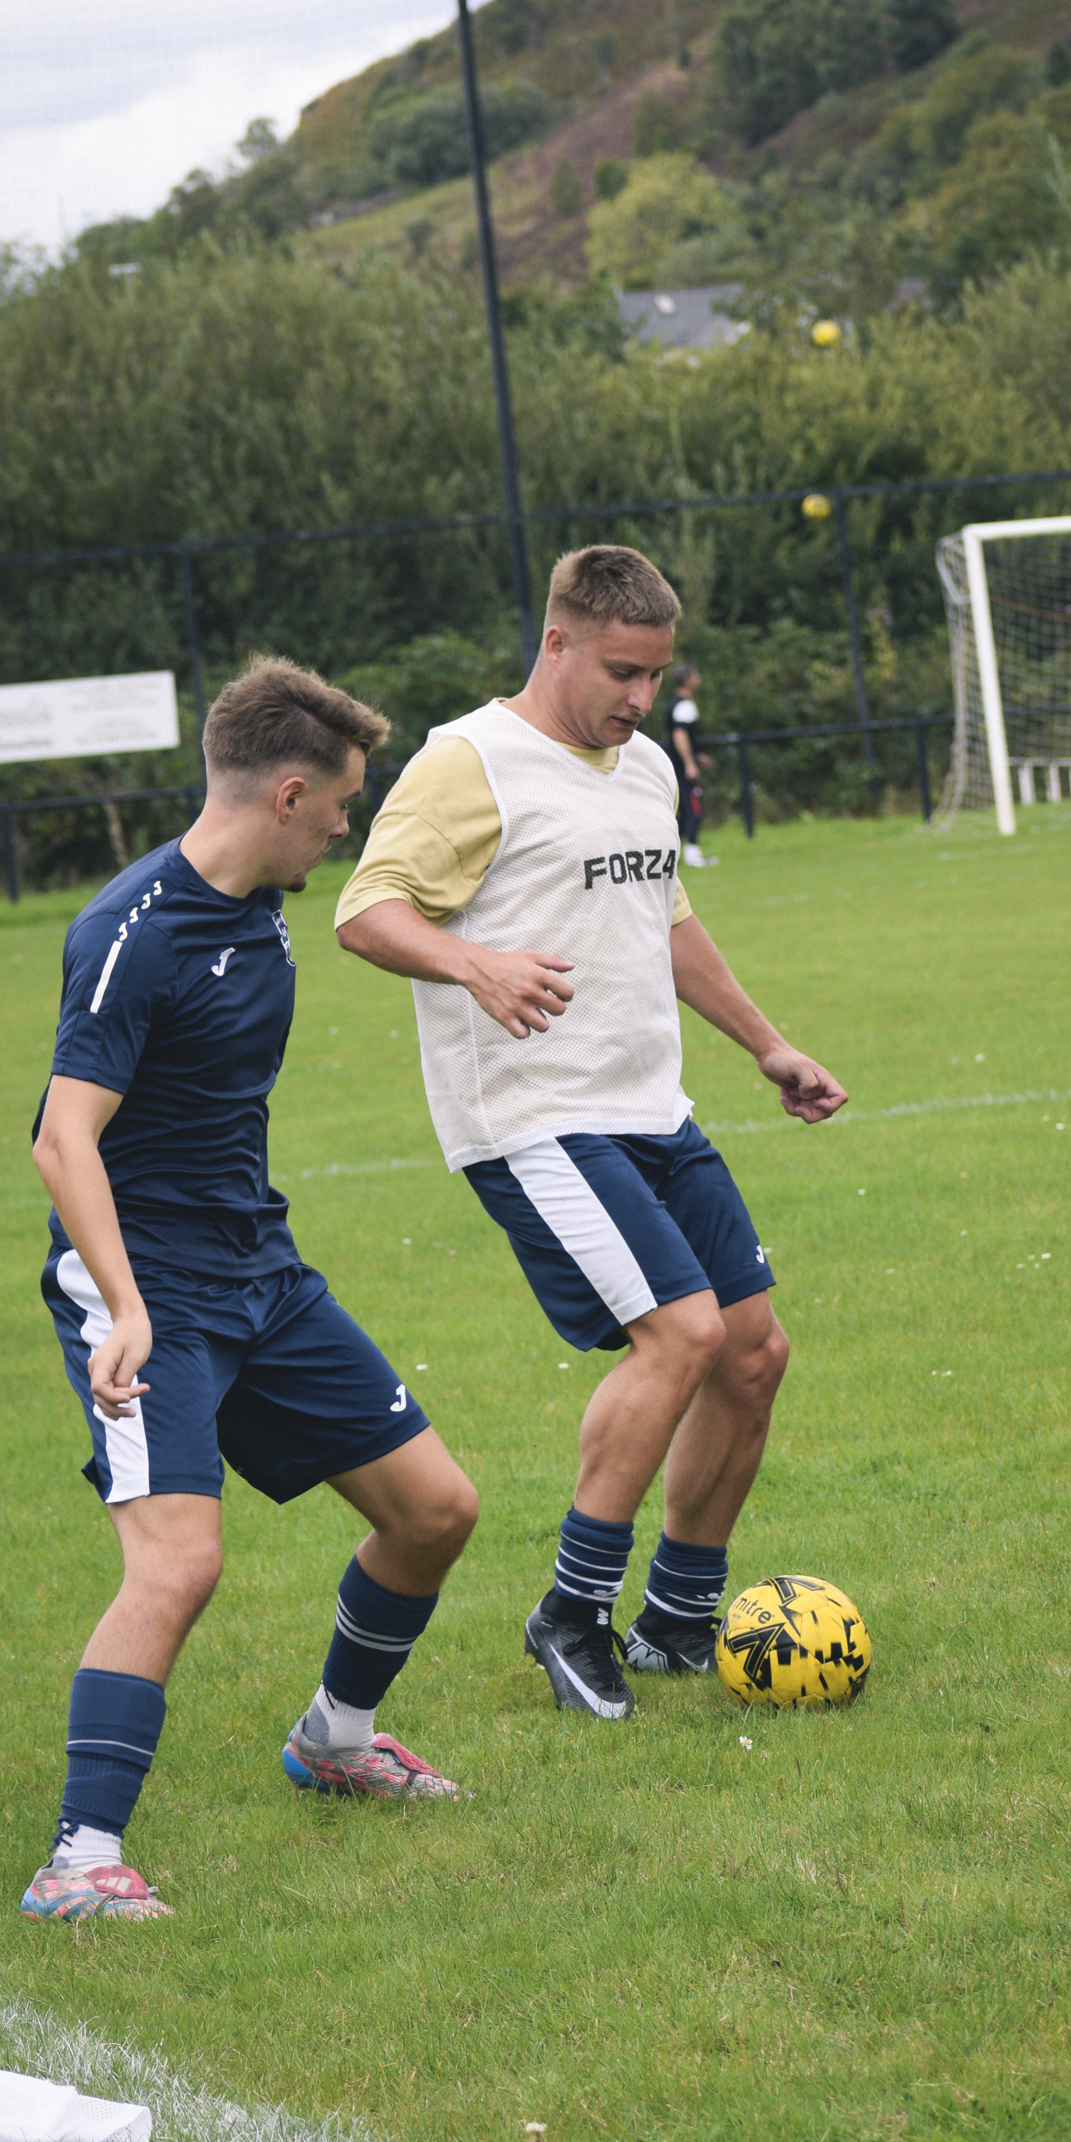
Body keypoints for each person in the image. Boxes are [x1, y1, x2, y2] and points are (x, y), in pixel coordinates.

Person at [334, 545, 847, 1720]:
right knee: (679, 1334)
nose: (639, 699)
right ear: (556, 640)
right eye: (621, 671)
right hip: (529, 1117)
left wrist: (765, 1043)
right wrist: (475, 963)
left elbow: (663, 916)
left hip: (646, 1104)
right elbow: (367, 908)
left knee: (752, 1351)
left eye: (656, 677)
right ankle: (571, 1612)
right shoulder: (470, 762)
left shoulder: (646, 768)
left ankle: (676, 1618)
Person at [22, 660, 479, 1924]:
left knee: (435, 1509)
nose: (347, 824)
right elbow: (65, 1141)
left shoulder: (261, 899)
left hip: (258, 1273)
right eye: (340, 803)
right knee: (178, 1562)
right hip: (146, 1287)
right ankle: (78, 1860)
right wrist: (124, 1306)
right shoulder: (130, 933)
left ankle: (335, 1736)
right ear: (286, 795)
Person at [666, 664, 716, 867]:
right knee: (693, 808)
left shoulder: (672, 704)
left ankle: (669, 855)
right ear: (687, 679)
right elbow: (679, 735)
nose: (698, 678)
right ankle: (692, 854)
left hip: (674, 764)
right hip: (681, 768)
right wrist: (690, 763)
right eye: (695, 675)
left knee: (682, 811)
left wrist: (697, 755)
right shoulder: (684, 705)